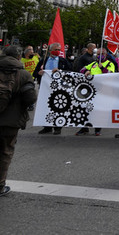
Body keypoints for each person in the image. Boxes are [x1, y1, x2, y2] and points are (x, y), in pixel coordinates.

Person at [0, 45, 38, 196]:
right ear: (18, 57)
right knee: (5, 153)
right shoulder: (23, 74)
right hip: (10, 122)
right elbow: (30, 99)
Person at [77, 47, 118, 136]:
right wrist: (87, 71)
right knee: (86, 109)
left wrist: (103, 67)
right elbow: (81, 70)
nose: (99, 56)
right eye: (98, 54)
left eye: (102, 54)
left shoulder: (110, 64)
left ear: (106, 55)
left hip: (102, 91)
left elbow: (111, 75)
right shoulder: (93, 63)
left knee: (98, 111)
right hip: (90, 91)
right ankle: (85, 128)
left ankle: (97, 129)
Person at [34, 43, 72, 135]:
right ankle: (47, 127)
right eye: (56, 49)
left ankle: (58, 127)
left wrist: (60, 71)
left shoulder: (63, 61)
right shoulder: (44, 61)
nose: (58, 51)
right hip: (45, 88)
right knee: (46, 106)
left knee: (58, 107)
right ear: (50, 50)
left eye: (59, 50)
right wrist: (39, 73)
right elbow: (34, 73)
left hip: (59, 89)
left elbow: (70, 72)